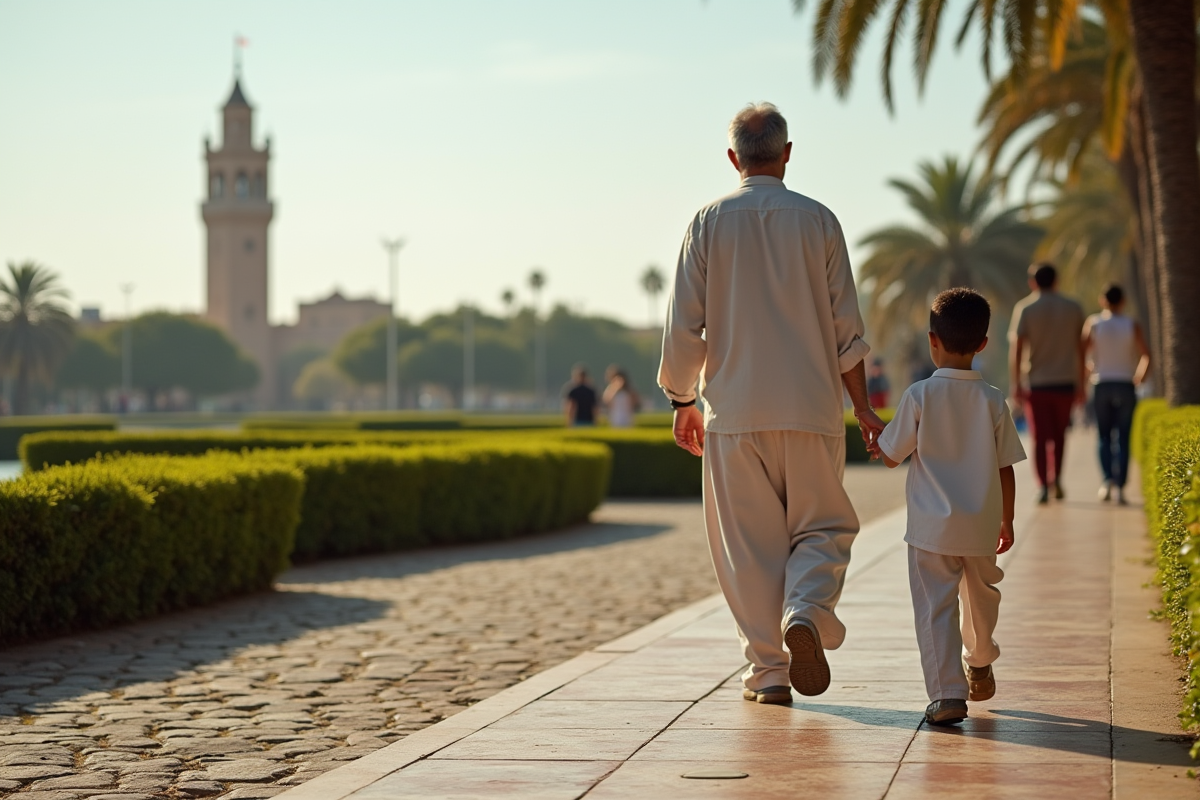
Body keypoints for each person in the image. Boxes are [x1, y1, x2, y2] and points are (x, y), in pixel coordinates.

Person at [659, 102, 884, 705]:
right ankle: (805, 611)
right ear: (786, 154)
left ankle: (768, 673)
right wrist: (863, 409)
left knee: (749, 549)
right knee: (824, 526)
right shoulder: (819, 221)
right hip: (811, 408)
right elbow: (847, 332)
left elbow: (684, 327)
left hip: (733, 414)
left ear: (733, 158)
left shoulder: (707, 222)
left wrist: (682, 399)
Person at [869, 288, 1026, 726]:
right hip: (981, 527)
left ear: (932, 340)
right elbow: (1006, 467)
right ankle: (980, 658)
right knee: (982, 598)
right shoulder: (993, 400)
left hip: (930, 530)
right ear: (983, 343)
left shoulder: (919, 395)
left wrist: (878, 437)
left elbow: (891, 455)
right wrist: (1007, 518)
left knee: (935, 607)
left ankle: (947, 695)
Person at [1009, 263, 1085, 504]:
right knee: (1060, 436)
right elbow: (1082, 349)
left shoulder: (1025, 308)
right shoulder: (1073, 308)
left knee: (1040, 438)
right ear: (1056, 280)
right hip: (1066, 382)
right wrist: (1082, 384)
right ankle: (1057, 479)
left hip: (1037, 383)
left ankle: (1042, 485)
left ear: (1033, 282)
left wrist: (1016, 383)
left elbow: (1017, 349)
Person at [1083, 284, 1151, 505]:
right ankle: (1120, 487)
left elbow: (1082, 353)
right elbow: (1146, 355)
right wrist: (1138, 377)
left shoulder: (1093, 323)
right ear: (1123, 301)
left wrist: (1087, 373)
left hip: (1101, 384)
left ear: (1102, 300)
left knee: (1103, 436)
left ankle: (1107, 481)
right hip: (1125, 384)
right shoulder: (1131, 324)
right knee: (1123, 436)